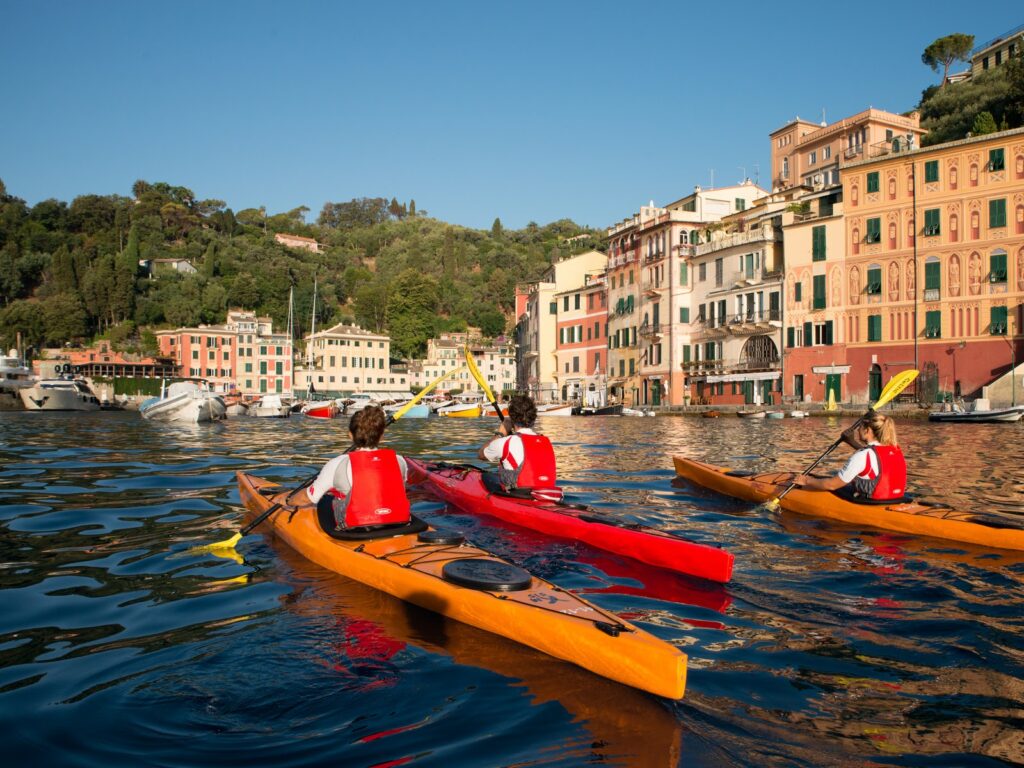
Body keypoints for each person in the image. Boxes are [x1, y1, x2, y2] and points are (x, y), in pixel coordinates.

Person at [307, 405, 411, 530]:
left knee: (325, 500)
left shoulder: (337, 464)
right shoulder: (400, 461)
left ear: (350, 435)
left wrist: (285, 500)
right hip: (395, 522)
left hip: (354, 527)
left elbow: (310, 498)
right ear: (382, 435)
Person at [787, 410, 907, 501]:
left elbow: (832, 485)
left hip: (871, 502)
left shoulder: (862, 455)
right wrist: (851, 442)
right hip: (895, 499)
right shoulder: (895, 449)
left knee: (825, 484)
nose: (858, 430)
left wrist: (807, 480)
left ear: (867, 430)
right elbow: (875, 458)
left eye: (860, 427)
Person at [478, 393, 562, 501]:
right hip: (550, 496)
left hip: (520, 497)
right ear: (534, 417)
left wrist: (500, 433)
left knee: (486, 477)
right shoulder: (546, 442)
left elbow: (481, 454)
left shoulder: (505, 442)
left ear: (512, 418)